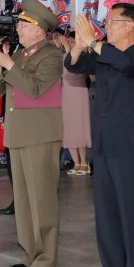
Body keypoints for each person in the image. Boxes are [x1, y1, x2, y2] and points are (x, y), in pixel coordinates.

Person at [66, 4, 134, 267]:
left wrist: (94, 43)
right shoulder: (104, 55)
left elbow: (125, 65)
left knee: (132, 210)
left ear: (130, 25)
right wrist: (80, 47)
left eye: (112, 21)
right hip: (105, 141)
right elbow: (74, 67)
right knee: (106, 210)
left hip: (132, 143)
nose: (106, 25)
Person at [0, 0, 63, 267]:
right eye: (19, 23)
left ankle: (45, 257)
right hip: (19, 134)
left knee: (41, 198)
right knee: (24, 198)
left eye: (24, 24)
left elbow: (34, 89)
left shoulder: (52, 55)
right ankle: (30, 253)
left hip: (40, 134)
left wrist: (8, 65)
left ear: (40, 29)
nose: (18, 28)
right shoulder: (20, 55)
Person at [56, 30, 91, 176]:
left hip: (79, 93)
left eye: (72, 41)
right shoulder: (61, 56)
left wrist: (66, 45)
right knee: (68, 128)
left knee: (80, 127)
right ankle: (76, 162)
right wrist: (61, 46)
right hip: (65, 93)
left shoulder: (83, 57)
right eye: (69, 41)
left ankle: (85, 163)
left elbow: (72, 64)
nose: (69, 42)